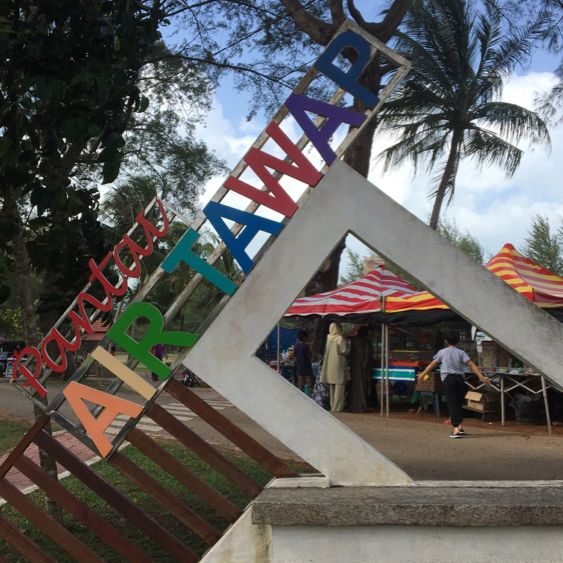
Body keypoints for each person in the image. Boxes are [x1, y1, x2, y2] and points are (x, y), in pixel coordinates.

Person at [417, 332, 490, 438]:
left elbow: (433, 364)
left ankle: (455, 429)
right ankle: (459, 426)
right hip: (460, 379)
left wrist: (423, 374)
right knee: (459, 403)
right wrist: (481, 377)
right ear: (458, 341)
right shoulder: (461, 352)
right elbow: (471, 365)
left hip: (448, 379)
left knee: (452, 404)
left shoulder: (442, 352)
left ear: (446, 341)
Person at [320, 322, 350, 412]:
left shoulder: (328, 338)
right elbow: (344, 351)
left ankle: (332, 405)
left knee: (332, 386)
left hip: (329, 364)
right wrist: (349, 346)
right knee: (339, 386)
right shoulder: (340, 338)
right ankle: (338, 407)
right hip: (339, 364)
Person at [348, 325, 372, 413]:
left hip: (354, 366)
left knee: (353, 386)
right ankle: (361, 406)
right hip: (362, 368)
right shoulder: (367, 342)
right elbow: (368, 355)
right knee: (363, 386)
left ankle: (352, 405)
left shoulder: (353, 340)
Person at [294, 329, 314, 396]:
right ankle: (308, 398)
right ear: (304, 337)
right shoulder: (306, 346)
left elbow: (295, 356)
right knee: (309, 385)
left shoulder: (296, 346)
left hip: (299, 369)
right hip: (307, 369)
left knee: (300, 386)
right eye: (307, 337)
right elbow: (310, 356)